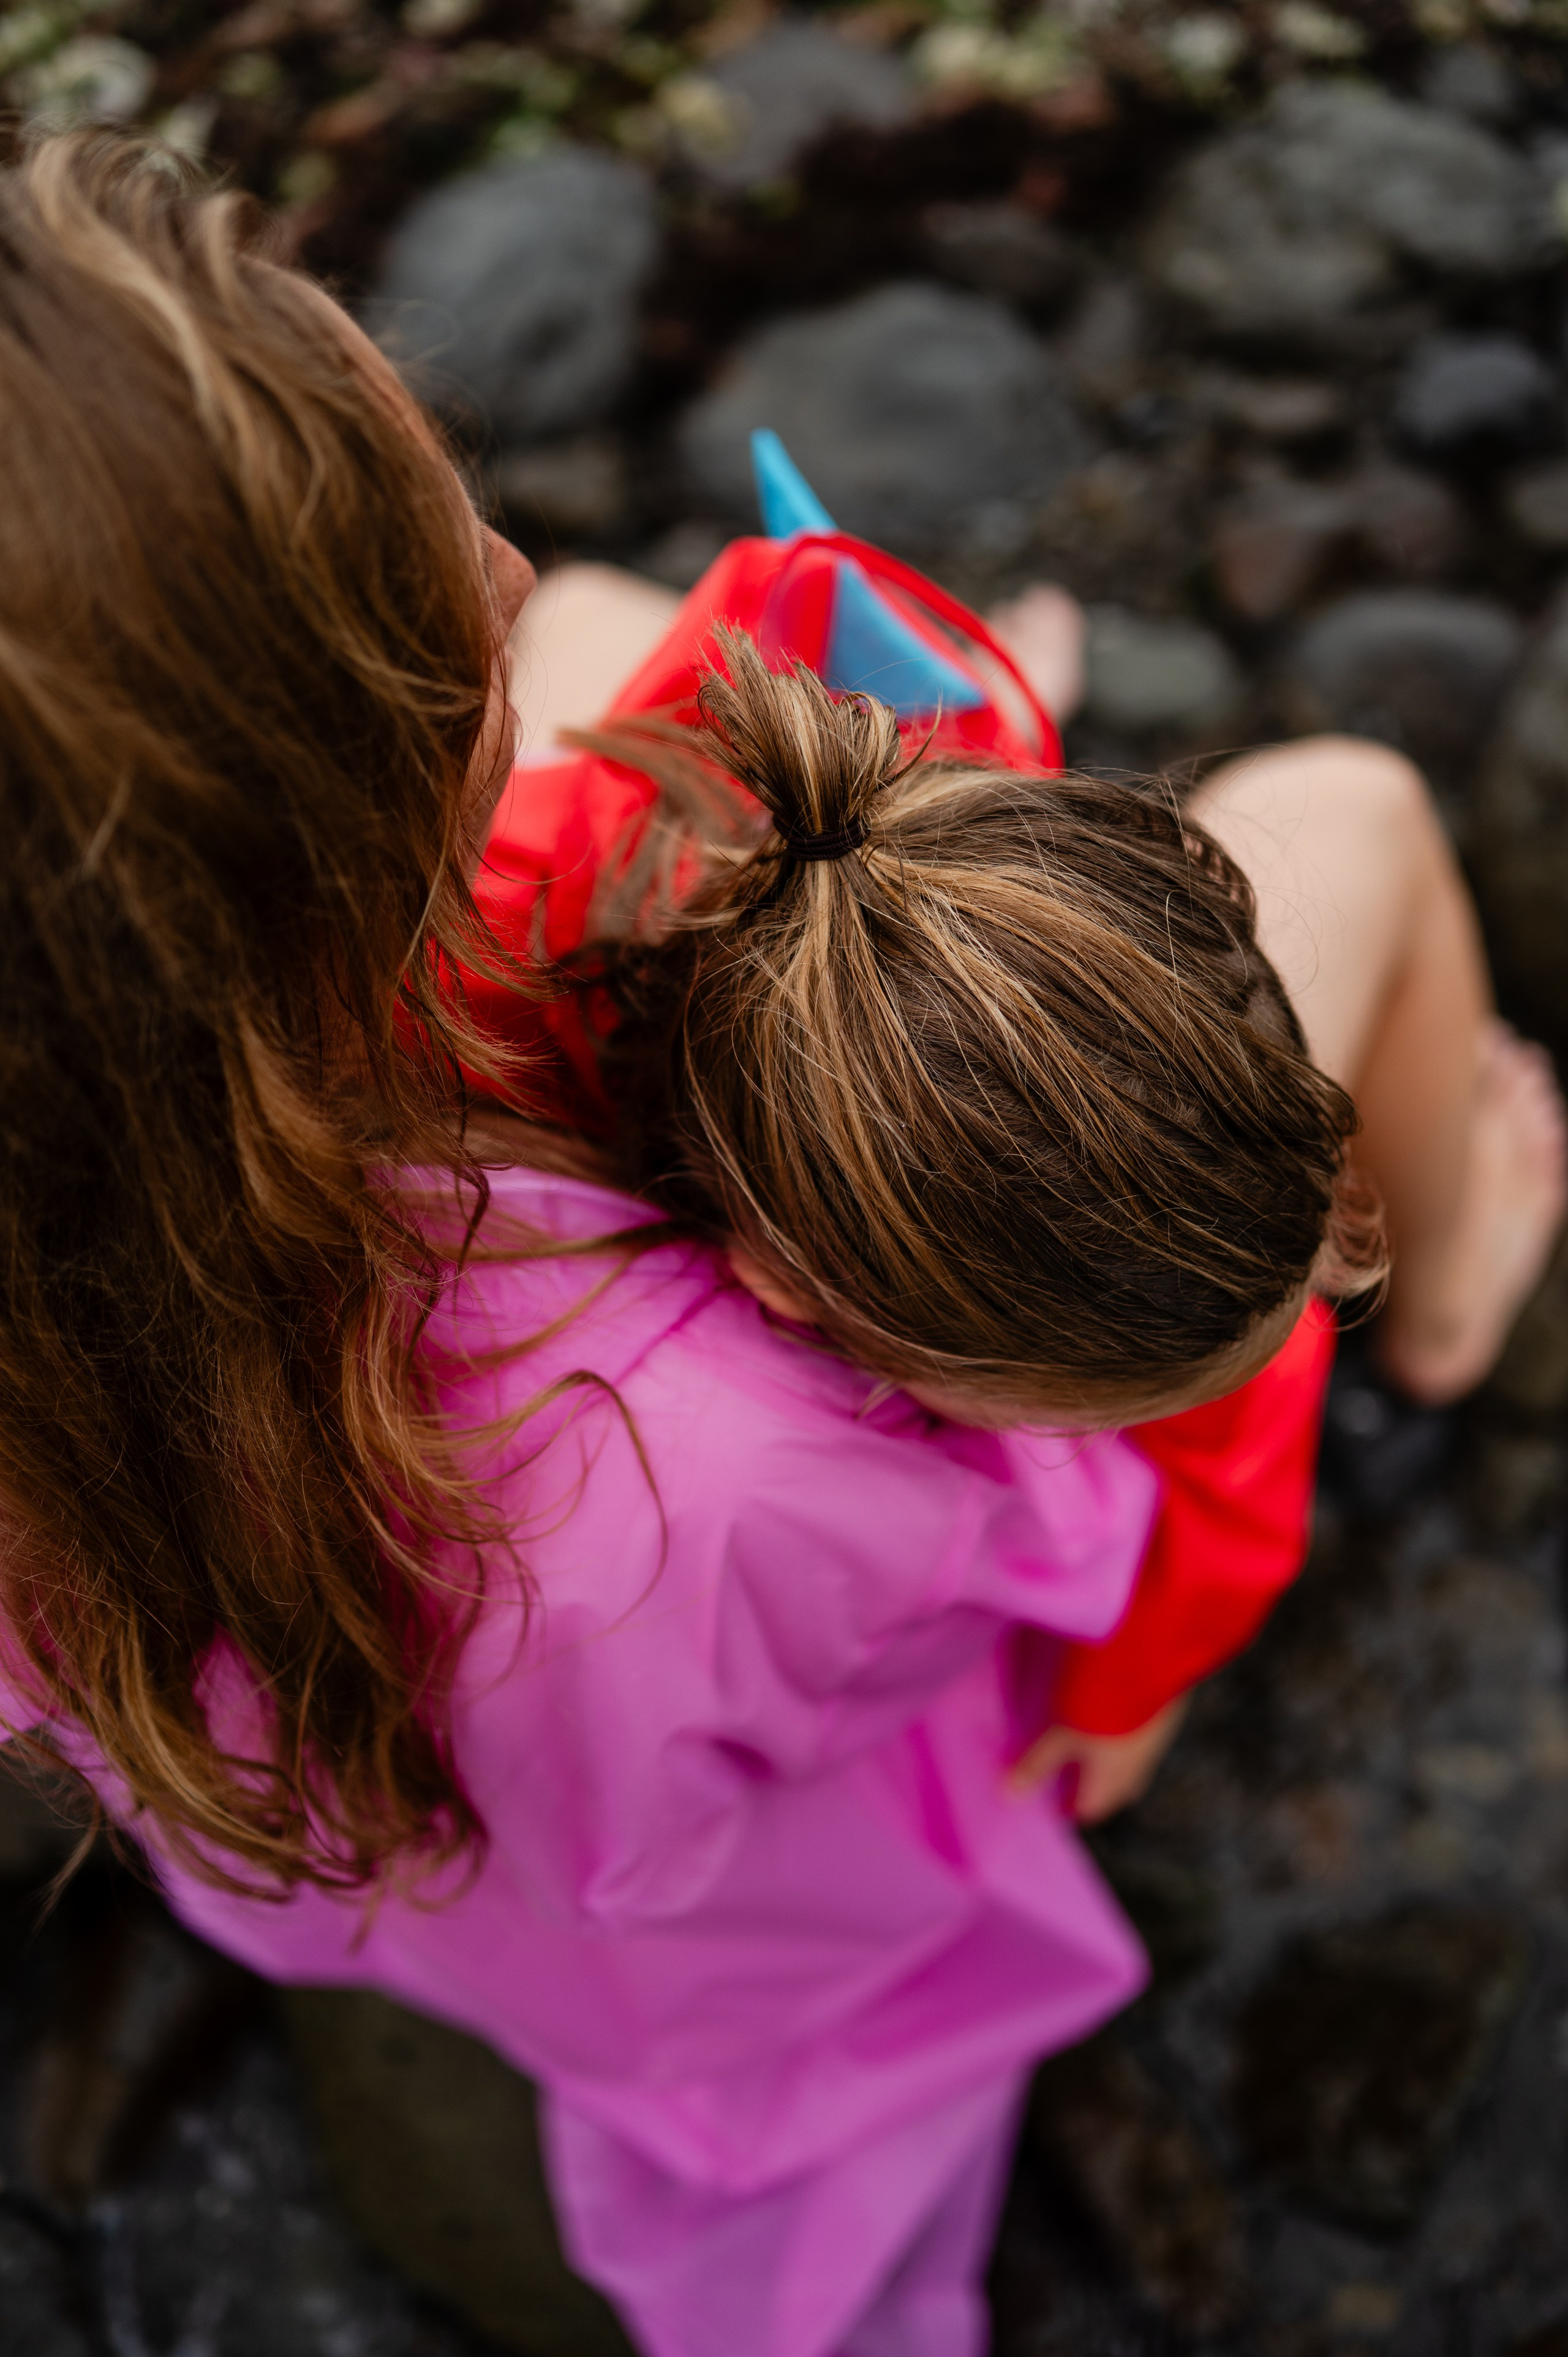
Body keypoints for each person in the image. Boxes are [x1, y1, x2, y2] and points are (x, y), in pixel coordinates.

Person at [0, 131, 1561, 2357]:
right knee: (1350, 820)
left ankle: (941, 743)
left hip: (361, 1826)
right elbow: (1090, 1461)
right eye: (415, 594)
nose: (515, 562)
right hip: (771, 1919)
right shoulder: (710, 1458)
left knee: (669, 632)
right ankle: (1472, 1255)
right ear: (269, 869)